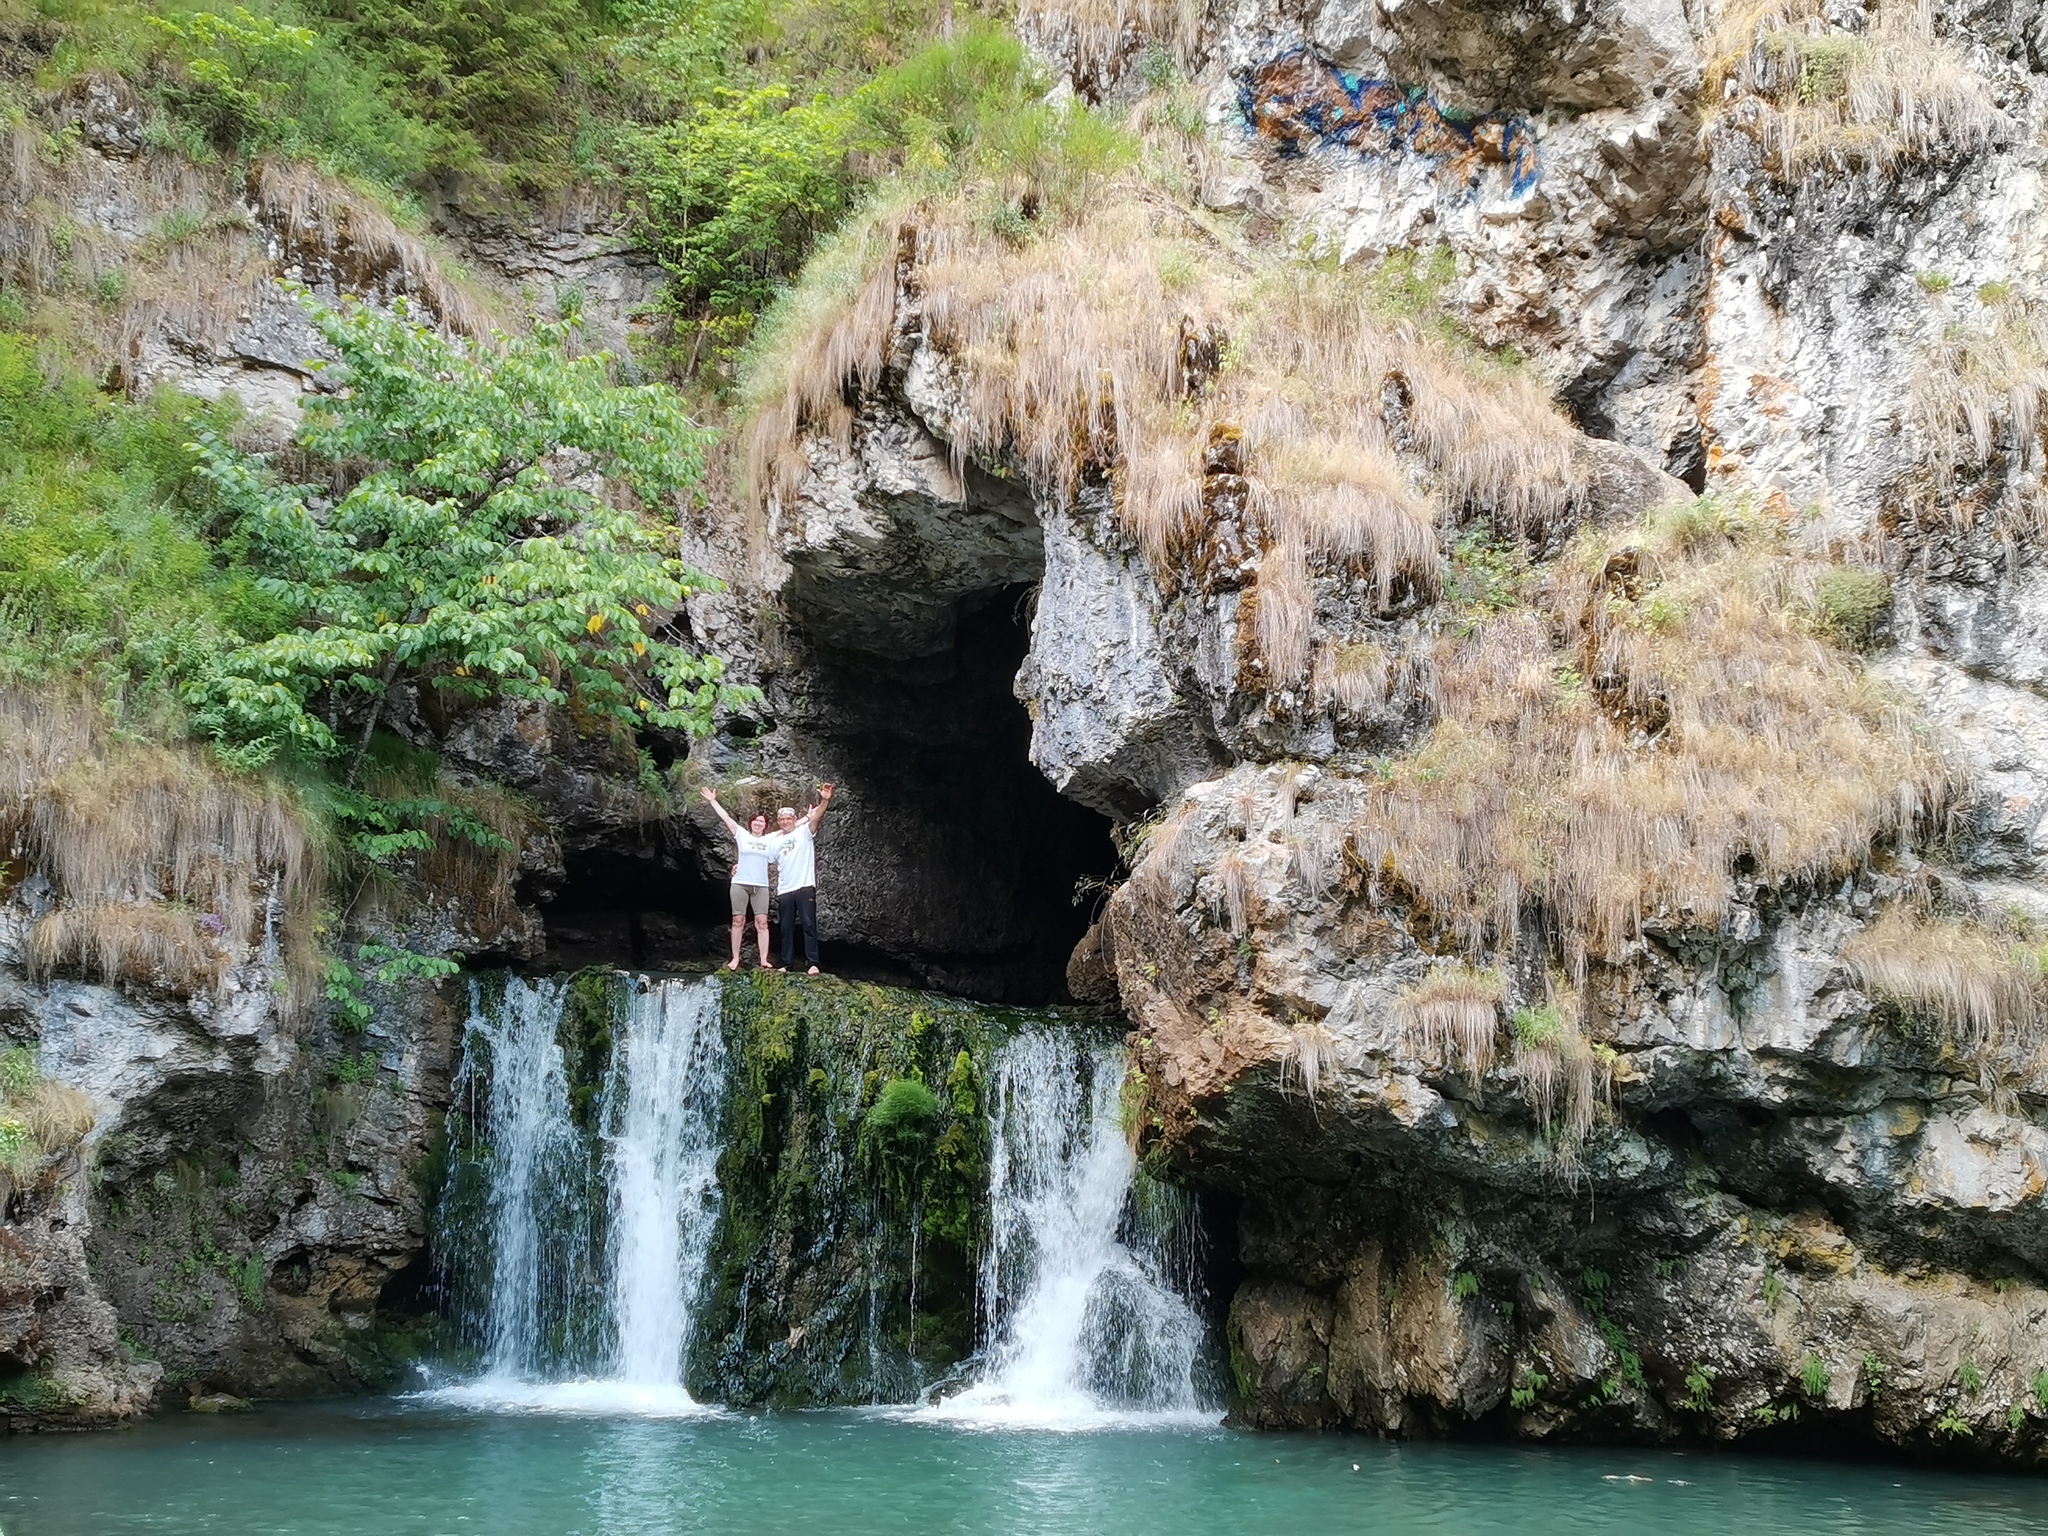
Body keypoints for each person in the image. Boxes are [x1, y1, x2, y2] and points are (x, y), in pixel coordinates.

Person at [699, 786, 778, 971]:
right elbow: (726, 818)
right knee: (738, 920)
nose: (758, 824)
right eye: (755, 821)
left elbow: (791, 827)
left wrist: (808, 817)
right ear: (751, 824)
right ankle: (735, 958)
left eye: (762, 822)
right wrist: (712, 801)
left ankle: (764, 960)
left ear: (765, 825)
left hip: (761, 886)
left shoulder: (769, 840)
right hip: (740, 883)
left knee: (762, 921)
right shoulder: (742, 835)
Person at [771, 784, 834, 975]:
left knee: (808, 924)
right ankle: (787, 963)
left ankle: (813, 962)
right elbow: (759, 853)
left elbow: (818, 818)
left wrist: (825, 799)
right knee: (786, 928)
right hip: (785, 889)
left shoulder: (804, 832)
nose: (785, 821)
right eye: (782, 819)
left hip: (805, 885)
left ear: (794, 819)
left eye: (788, 818)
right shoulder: (775, 840)